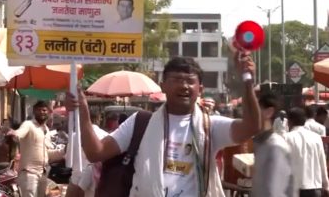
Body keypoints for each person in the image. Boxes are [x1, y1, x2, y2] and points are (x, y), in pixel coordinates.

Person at [65, 53, 261, 196]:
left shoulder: (211, 126)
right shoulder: (140, 123)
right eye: (176, 80)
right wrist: (82, 113)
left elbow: (251, 127)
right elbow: (96, 152)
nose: (184, 86)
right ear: (163, 84)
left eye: (190, 81)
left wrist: (247, 82)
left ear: (199, 88)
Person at [7, 101, 65, 197]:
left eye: (44, 110)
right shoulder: (28, 124)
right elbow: (19, 133)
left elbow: (48, 154)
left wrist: (64, 151)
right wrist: (14, 133)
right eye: (39, 110)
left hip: (43, 174)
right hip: (29, 174)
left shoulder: (45, 130)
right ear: (34, 111)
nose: (42, 112)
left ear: (48, 113)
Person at [252, 93, 294, 197]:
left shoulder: (275, 146)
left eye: (254, 109)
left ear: (269, 112)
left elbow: (274, 192)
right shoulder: (261, 143)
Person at [284, 107, 329, 197]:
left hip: (295, 190)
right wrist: (326, 186)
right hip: (315, 188)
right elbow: (322, 163)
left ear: (289, 121)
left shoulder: (286, 138)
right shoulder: (316, 138)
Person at [65, 109, 108, 197]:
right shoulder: (105, 136)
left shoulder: (75, 136)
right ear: (98, 118)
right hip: (94, 184)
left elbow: (68, 158)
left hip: (76, 180)